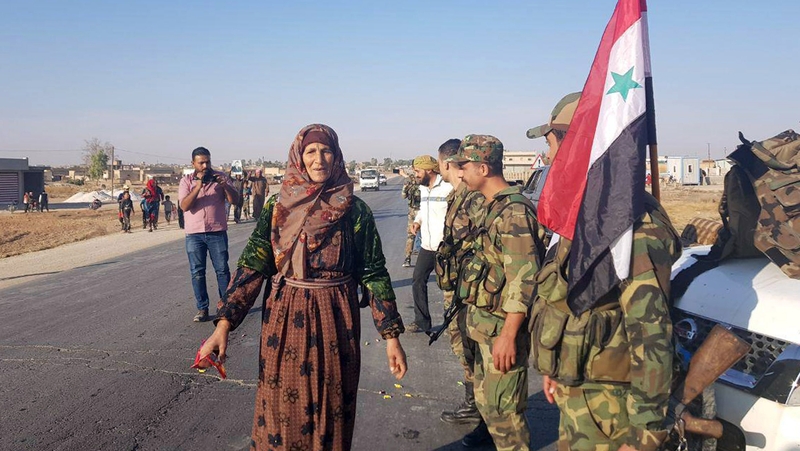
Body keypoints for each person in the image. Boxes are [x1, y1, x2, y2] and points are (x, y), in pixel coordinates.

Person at [197, 124, 408, 451]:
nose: (319, 159)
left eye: (326, 151)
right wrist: (224, 325)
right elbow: (253, 265)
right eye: (311, 151)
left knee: (332, 409)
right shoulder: (277, 208)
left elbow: (373, 271)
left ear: (336, 156)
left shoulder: (355, 211)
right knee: (282, 409)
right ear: (299, 157)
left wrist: (391, 336)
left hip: (337, 323)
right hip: (285, 322)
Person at [527, 93, 682, 451]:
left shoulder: (629, 223)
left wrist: (645, 431)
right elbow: (565, 299)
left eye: (551, 143)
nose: (549, 156)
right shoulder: (586, 211)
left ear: (575, 144)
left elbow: (652, 330)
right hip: (580, 389)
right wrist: (556, 368)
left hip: (614, 407)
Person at [450, 134, 546, 450]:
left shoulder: (514, 212)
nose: (460, 173)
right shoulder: (495, 207)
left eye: (463, 166)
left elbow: (524, 279)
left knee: (505, 415)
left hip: (501, 332)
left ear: (483, 167)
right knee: (489, 406)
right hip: (486, 328)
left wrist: (508, 334)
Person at [435, 139, 489, 437]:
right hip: (457, 290)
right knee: (463, 349)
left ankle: (484, 417)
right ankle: (474, 405)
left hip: (472, 292)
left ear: (446, 163)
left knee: (476, 353)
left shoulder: (474, 198)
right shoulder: (456, 196)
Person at [179, 146, 239, 322]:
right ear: (193, 163)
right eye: (201, 162)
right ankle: (202, 309)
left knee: (222, 270)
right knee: (197, 272)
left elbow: (234, 200)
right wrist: (198, 186)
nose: (205, 165)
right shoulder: (186, 181)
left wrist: (225, 185)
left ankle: (225, 307)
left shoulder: (221, 178)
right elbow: (184, 206)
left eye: (208, 161)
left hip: (217, 232)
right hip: (194, 235)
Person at [409, 155, 452, 333]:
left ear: (429, 170)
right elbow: (422, 209)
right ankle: (422, 321)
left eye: (418, 171)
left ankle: (453, 322)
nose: (416, 175)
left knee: (449, 286)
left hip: (445, 247)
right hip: (427, 246)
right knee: (418, 280)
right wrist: (417, 221)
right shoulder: (423, 189)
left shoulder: (448, 187)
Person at [401, 172, 421, 267]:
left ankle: (407, 258)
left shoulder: (409, 181)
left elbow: (403, 195)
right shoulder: (424, 180)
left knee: (410, 236)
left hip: (413, 211)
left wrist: (406, 186)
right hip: (423, 210)